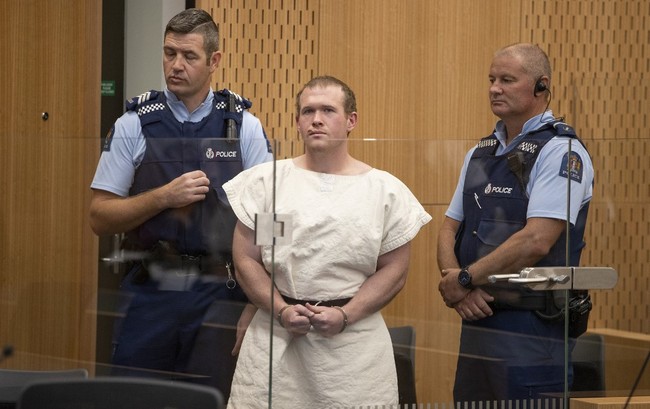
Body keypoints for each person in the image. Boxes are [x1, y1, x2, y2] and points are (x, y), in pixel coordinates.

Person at [88, 8, 272, 400]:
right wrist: (163, 197)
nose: (175, 65)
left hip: (221, 290)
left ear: (214, 60)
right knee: (133, 398)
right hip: (151, 286)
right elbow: (100, 216)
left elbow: (271, 221)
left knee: (213, 399)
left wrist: (261, 301)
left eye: (188, 56)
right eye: (169, 53)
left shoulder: (244, 126)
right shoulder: (134, 123)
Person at [222, 75, 431, 408]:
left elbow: (394, 270)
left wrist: (345, 315)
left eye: (328, 110)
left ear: (351, 121)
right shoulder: (272, 184)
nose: (316, 119)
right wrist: (281, 310)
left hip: (353, 349)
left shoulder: (384, 191)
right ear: (297, 122)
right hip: (276, 338)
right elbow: (249, 259)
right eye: (308, 111)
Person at [437, 42, 594, 404]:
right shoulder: (481, 152)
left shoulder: (561, 150)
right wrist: (457, 285)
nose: (494, 88)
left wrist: (464, 278)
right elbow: (449, 228)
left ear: (541, 86)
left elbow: (537, 240)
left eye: (507, 79)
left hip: (532, 327)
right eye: (492, 79)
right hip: (477, 316)